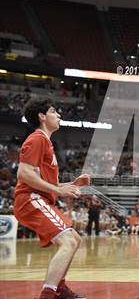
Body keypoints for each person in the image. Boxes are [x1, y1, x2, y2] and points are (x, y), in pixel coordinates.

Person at [13, 98, 90, 299]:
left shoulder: (45, 142)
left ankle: (59, 287)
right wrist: (60, 190)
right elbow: (24, 174)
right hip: (31, 199)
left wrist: (71, 185)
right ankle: (49, 293)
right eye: (54, 111)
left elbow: (45, 183)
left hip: (39, 198)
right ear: (42, 116)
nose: (59, 115)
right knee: (68, 242)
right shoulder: (37, 138)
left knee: (74, 238)